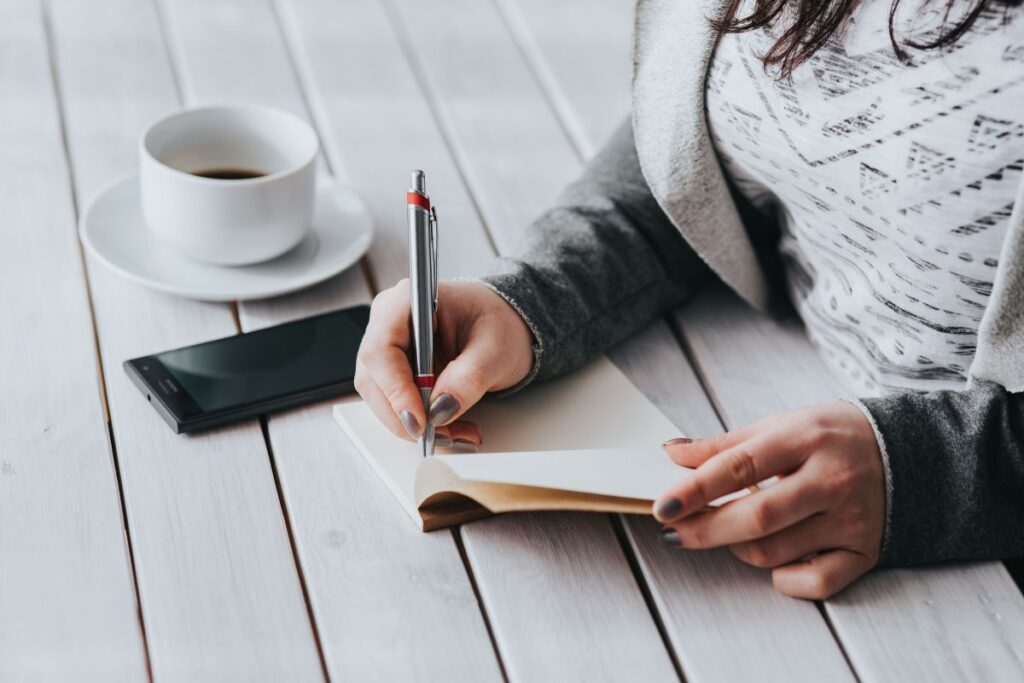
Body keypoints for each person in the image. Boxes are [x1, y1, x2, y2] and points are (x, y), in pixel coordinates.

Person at [355, 0, 1024, 599]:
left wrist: (935, 473)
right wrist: (531, 295)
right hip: (755, 384)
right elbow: (711, 150)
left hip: (972, 597)